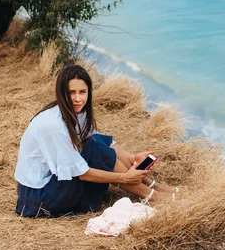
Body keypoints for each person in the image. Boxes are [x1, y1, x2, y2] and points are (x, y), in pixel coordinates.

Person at [14, 64, 180, 217]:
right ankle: (150, 195)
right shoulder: (54, 125)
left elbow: (92, 136)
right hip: (37, 198)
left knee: (95, 140)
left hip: (48, 186)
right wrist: (123, 178)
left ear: (89, 92)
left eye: (82, 92)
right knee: (94, 149)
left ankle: (152, 185)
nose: (78, 98)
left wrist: (131, 157)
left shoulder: (75, 112)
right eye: (71, 92)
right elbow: (83, 173)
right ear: (61, 92)